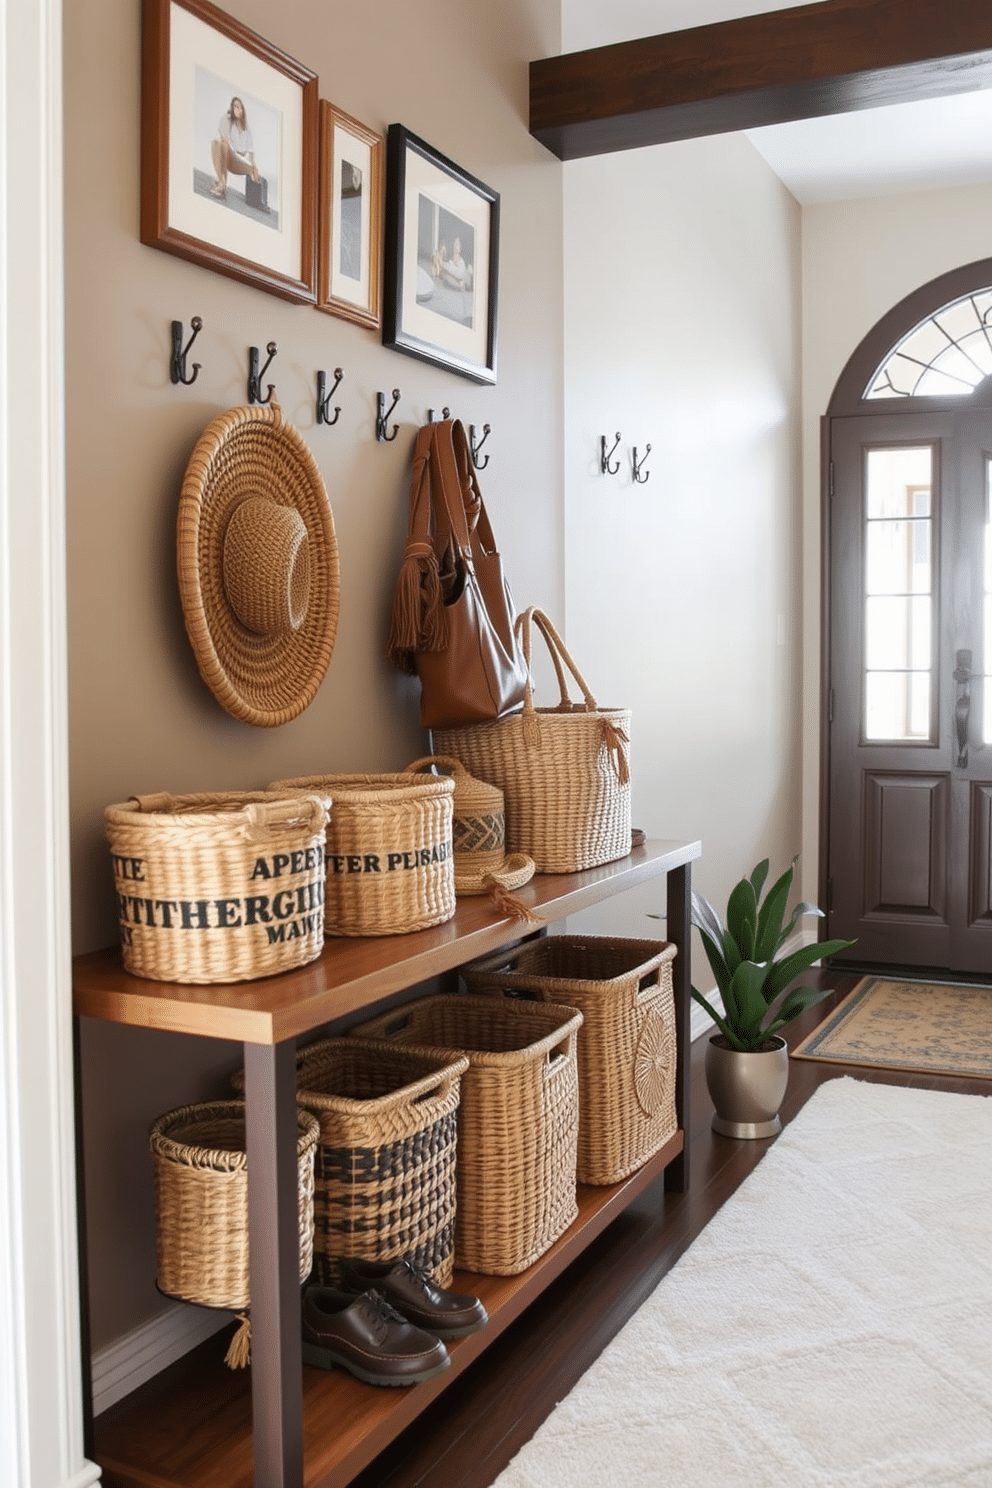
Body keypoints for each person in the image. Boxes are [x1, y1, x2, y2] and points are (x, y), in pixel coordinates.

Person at [210, 96, 259, 199]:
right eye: (234, 106)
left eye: (238, 106)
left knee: (224, 145)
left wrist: (254, 168)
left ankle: (221, 184)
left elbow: (250, 153)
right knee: (215, 143)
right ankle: (222, 183)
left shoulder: (247, 130)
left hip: (241, 161)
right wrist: (228, 118)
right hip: (229, 154)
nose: (236, 109)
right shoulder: (227, 120)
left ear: (242, 109)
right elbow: (223, 137)